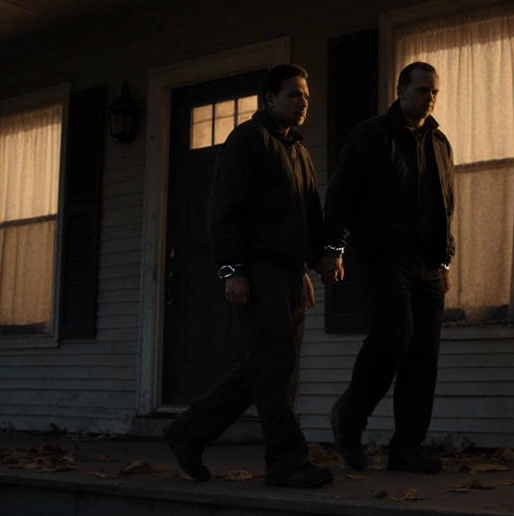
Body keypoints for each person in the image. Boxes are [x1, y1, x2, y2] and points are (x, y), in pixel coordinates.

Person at [163, 64, 342, 489]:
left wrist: (310, 264)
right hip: (255, 271)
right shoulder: (247, 140)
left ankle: (188, 432)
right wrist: (232, 271)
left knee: (276, 366)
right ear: (270, 99)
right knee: (276, 362)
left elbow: (308, 216)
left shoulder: (298, 150)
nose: (304, 102)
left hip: (287, 273)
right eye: (295, 95)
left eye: (307, 96)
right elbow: (223, 212)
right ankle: (285, 462)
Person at [321, 62, 454, 475]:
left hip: (429, 265)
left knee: (423, 357)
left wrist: (445, 258)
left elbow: (446, 206)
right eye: (421, 90)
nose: (428, 97)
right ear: (400, 90)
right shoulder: (371, 135)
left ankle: (406, 450)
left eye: (434, 91)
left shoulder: (440, 142)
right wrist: (332, 248)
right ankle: (349, 415)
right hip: (383, 259)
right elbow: (341, 195)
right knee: (394, 337)